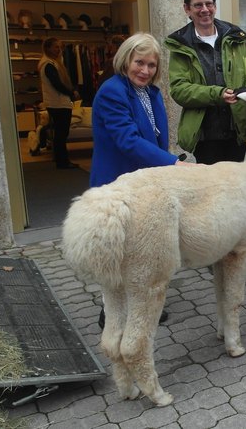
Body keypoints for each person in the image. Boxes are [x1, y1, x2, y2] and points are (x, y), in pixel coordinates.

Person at [91, 32, 194, 328]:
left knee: (143, 248)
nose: (145, 70)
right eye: (139, 63)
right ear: (126, 60)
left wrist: (166, 165)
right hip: (117, 184)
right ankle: (109, 312)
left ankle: (143, 303)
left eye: (151, 65)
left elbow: (157, 138)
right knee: (118, 251)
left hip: (145, 183)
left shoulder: (151, 93)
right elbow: (128, 140)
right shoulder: (112, 91)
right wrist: (173, 164)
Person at [165, 0, 246, 164]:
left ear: (215, 6)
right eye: (198, 5)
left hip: (240, 132)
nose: (205, 9)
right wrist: (217, 94)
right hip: (206, 138)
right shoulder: (181, 45)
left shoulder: (235, 38)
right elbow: (179, 89)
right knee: (212, 190)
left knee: (237, 187)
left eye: (209, 4)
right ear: (187, 9)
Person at [38, 37, 79, 169]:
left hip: (56, 102)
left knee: (59, 133)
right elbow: (57, 84)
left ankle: (60, 159)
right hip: (58, 102)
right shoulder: (49, 64)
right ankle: (63, 161)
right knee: (62, 133)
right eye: (56, 47)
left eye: (59, 47)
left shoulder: (51, 63)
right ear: (48, 48)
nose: (59, 50)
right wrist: (71, 92)